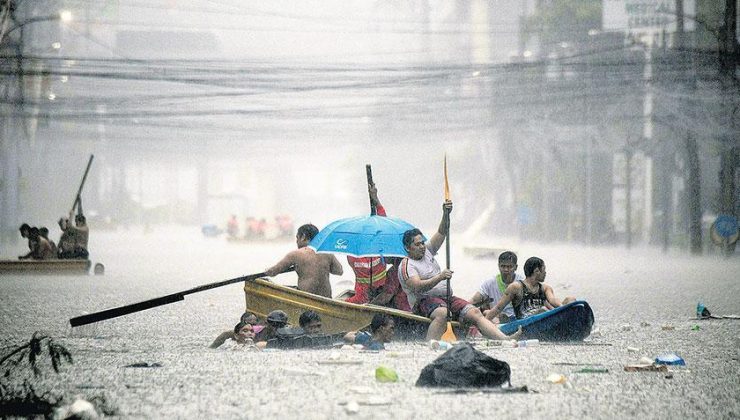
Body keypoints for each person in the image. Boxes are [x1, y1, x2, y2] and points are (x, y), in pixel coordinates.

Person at [398, 200, 521, 341]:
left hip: (447, 298)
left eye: (422, 243)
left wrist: (446, 213)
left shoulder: (427, 251)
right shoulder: (407, 265)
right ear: (408, 247)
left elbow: (442, 232)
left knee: (475, 312)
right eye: (417, 244)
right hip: (424, 301)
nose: (422, 246)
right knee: (443, 314)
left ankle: (505, 339)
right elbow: (417, 286)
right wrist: (440, 277)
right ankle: (429, 345)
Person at [345, 184, 411, 311]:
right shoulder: (354, 255)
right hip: (364, 296)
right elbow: (383, 227)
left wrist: (376, 200)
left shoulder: (395, 268)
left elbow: (383, 226)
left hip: (381, 296)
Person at [265, 224, 343, 298]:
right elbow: (339, 271)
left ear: (303, 237)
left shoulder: (295, 254)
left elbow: (273, 272)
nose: (296, 241)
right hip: (326, 300)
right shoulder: (327, 253)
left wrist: (267, 270)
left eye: (297, 238)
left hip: (306, 299)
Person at [485, 257, 576, 320]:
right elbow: (498, 308)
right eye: (544, 270)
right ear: (536, 271)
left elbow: (552, 300)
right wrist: (484, 324)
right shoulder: (515, 287)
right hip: (525, 321)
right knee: (543, 310)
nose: (545, 273)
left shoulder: (545, 288)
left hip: (544, 315)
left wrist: (564, 309)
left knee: (571, 299)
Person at [469, 251, 521, 323]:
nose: (506, 270)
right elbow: (474, 300)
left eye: (509, 267)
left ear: (516, 267)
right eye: (503, 266)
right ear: (498, 266)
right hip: (496, 318)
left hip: (518, 319)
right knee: (486, 312)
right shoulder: (489, 283)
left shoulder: (522, 282)